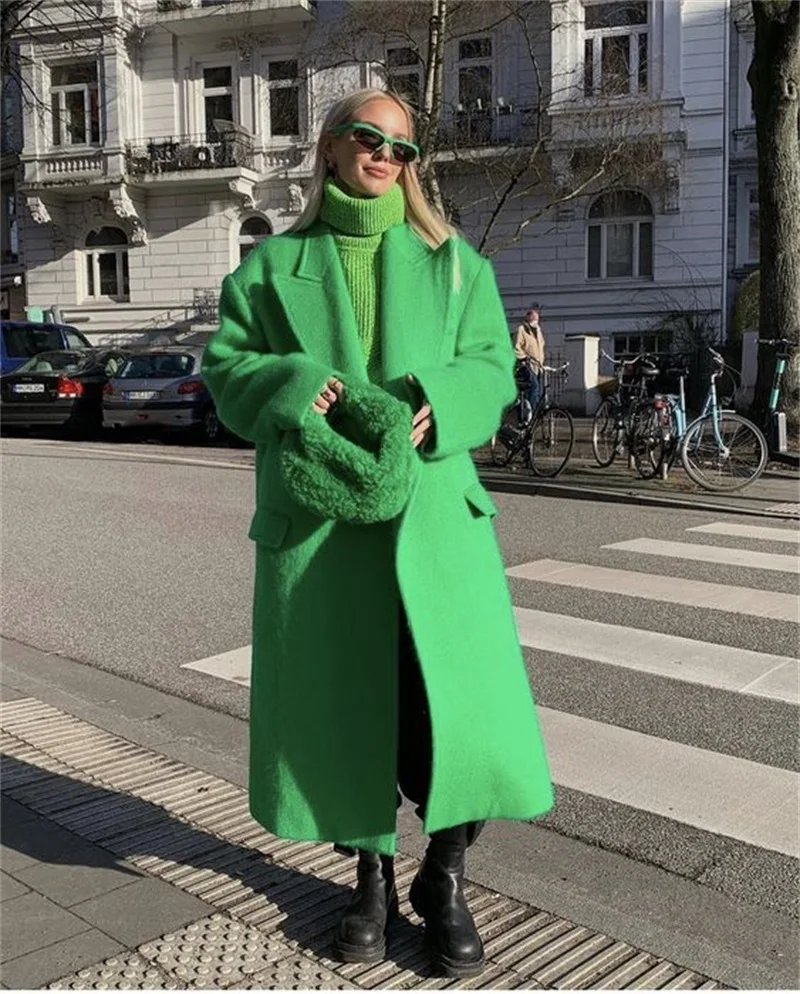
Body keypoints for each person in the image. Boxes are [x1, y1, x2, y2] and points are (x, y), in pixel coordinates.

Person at [202, 88, 553, 979]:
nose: (385, 157)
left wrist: (439, 402)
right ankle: (369, 877)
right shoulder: (271, 267)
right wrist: (289, 383)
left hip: (438, 523)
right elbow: (228, 370)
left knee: (459, 720)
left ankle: (446, 875)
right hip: (321, 525)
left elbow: (492, 367)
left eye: (401, 146)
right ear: (329, 148)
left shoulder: (454, 264)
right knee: (348, 712)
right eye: (368, 139)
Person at [513, 306, 546, 421]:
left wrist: (541, 362)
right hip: (526, 365)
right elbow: (516, 348)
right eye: (534, 318)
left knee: (534, 391)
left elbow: (541, 346)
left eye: (537, 319)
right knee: (534, 387)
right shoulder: (521, 330)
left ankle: (528, 415)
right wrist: (524, 358)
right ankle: (532, 416)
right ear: (528, 318)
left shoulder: (538, 331)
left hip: (537, 366)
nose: (536, 321)